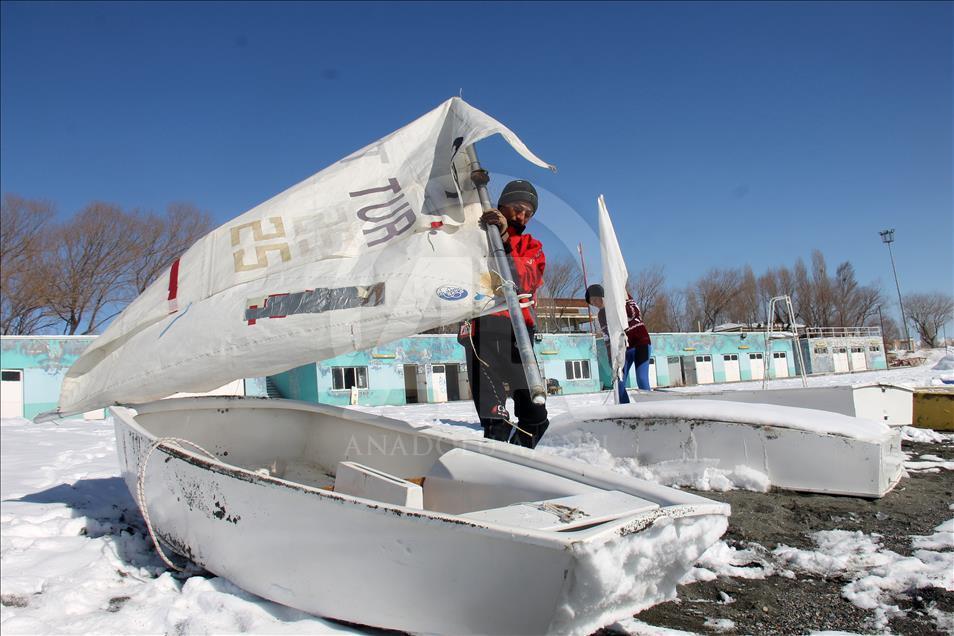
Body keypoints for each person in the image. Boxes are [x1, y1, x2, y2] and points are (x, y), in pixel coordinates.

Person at [459, 180, 549, 448]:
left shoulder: (531, 245)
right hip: (480, 329)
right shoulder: (475, 233)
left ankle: (519, 458)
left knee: (536, 415)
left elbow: (524, 279)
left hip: (517, 332)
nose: (522, 217)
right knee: (493, 416)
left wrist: (505, 238)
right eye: (518, 208)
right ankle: (499, 461)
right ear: (502, 205)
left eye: (528, 213)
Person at [585, 284, 652, 403]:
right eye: (592, 303)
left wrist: (619, 300)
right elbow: (607, 338)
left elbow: (633, 315)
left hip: (641, 342)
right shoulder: (601, 315)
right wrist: (612, 360)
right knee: (619, 383)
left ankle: (650, 409)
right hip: (625, 349)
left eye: (595, 299)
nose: (595, 303)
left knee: (642, 379)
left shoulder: (623, 296)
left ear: (601, 295)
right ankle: (625, 412)